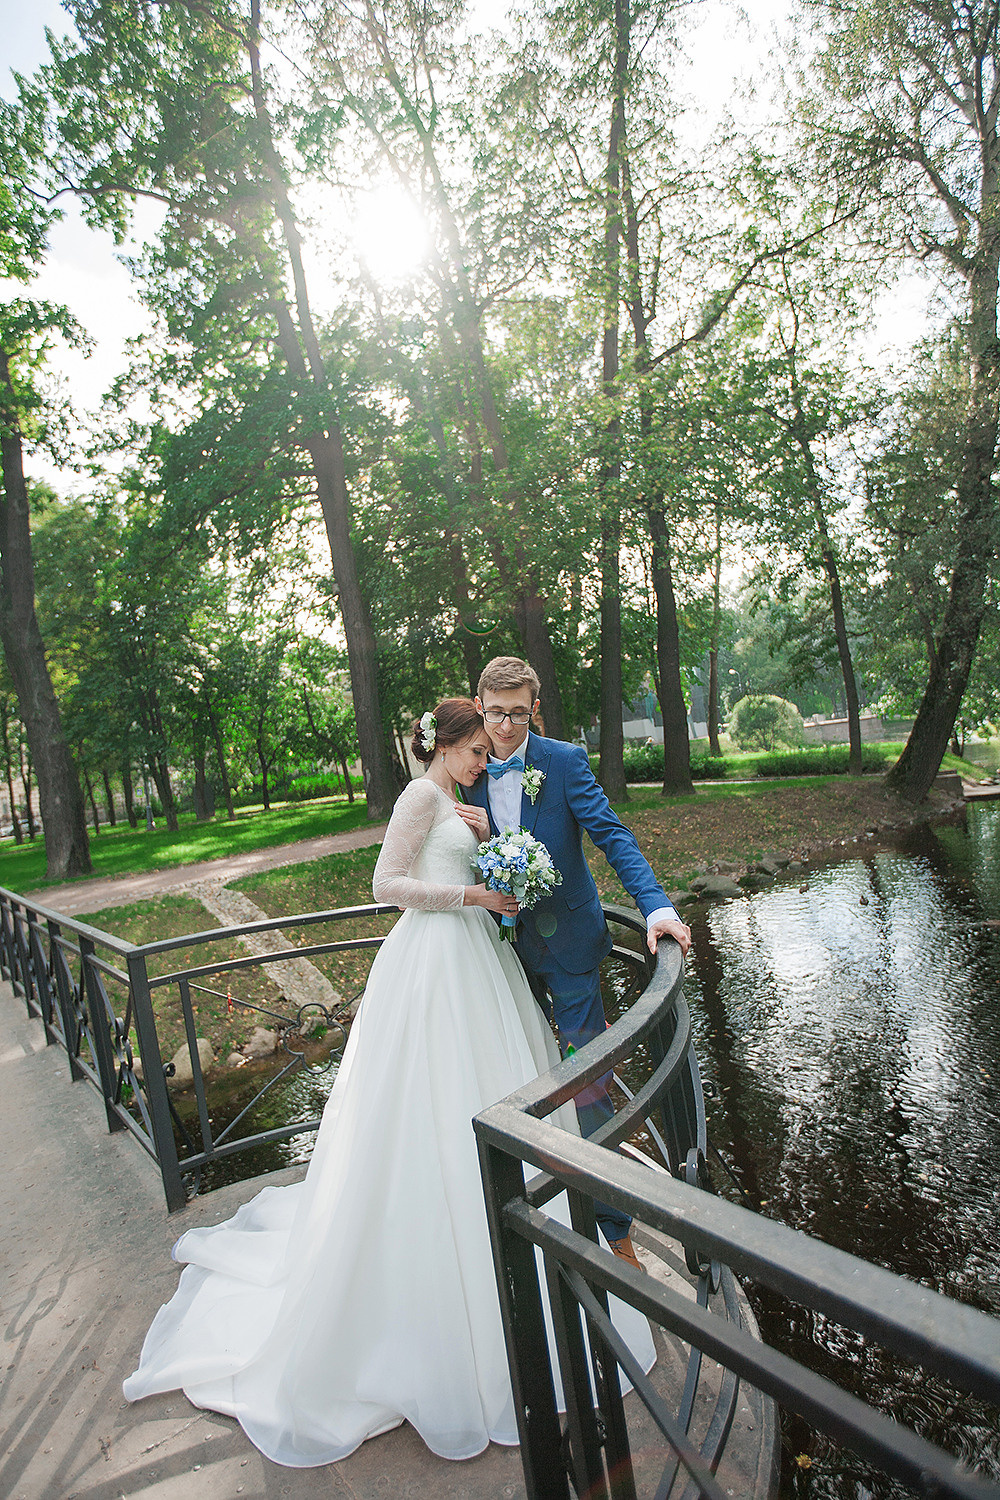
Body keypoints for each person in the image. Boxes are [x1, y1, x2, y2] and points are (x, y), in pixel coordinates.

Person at [122, 698, 653, 1467]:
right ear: (445, 747)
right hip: (431, 967)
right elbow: (386, 883)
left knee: (500, 1099)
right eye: (475, 751)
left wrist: (487, 846)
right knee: (432, 1115)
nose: (484, 761)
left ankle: (527, 1242)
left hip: (477, 965)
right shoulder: (417, 797)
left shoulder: (456, 802)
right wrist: (473, 892)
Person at [460, 657, 692, 1271]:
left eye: (516, 712)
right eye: (494, 713)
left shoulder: (562, 762)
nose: (505, 727)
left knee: (587, 1078)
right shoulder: (467, 770)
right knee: (519, 1068)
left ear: (534, 709)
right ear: (479, 707)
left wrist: (657, 908)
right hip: (501, 951)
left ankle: (613, 1226)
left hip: (569, 949)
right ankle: (531, 1204)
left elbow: (612, 834)